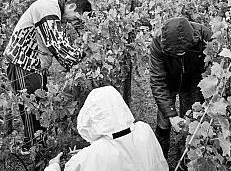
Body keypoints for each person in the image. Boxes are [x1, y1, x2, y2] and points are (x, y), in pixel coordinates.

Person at [4, 0, 92, 151]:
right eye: (77, 17)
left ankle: (37, 143)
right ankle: (34, 149)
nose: (75, 22)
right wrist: (84, 52)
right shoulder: (48, 9)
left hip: (34, 65)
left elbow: (61, 42)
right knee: (31, 108)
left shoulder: (57, 14)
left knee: (38, 105)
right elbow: (57, 45)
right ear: (71, 6)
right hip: (22, 63)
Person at [44, 85, 169, 171]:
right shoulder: (144, 131)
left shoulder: (87, 159)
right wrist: (88, 153)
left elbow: (105, 153)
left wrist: (53, 166)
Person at [149, 17, 212, 159]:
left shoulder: (204, 37)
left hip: (192, 83)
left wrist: (195, 108)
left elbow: (201, 76)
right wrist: (171, 115)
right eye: (174, 54)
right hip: (168, 81)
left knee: (189, 121)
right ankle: (160, 161)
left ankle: (184, 158)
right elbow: (158, 81)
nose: (179, 56)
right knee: (164, 121)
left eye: (182, 53)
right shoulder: (158, 42)